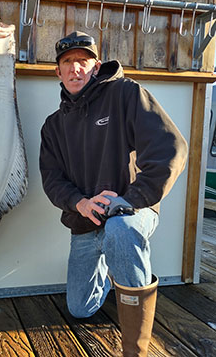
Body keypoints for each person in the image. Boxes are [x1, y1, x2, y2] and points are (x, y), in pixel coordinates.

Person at [39, 31, 188, 356]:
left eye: (83, 61)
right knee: (80, 308)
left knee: (120, 231)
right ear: (58, 72)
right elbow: (52, 179)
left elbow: (171, 147)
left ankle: (136, 346)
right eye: (67, 62)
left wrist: (130, 200)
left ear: (96, 66)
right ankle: (115, 271)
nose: (75, 68)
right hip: (86, 222)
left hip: (131, 212)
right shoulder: (53, 126)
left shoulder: (126, 94)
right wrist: (79, 203)